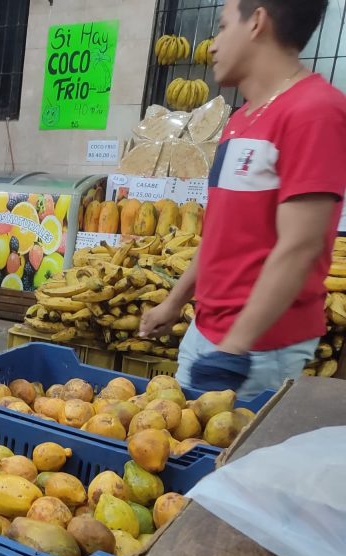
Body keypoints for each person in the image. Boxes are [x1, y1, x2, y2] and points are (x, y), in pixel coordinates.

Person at [139, 0, 346, 399]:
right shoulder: (242, 120)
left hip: (259, 351)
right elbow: (221, 234)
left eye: (221, 26)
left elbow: (301, 246)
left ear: (257, 22)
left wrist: (236, 347)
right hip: (208, 331)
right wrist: (174, 302)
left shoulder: (315, 112)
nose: (213, 46)